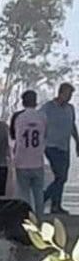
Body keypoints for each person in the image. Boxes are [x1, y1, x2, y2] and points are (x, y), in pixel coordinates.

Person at [42, 83, 79, 215]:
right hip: (51, 146)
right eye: (68, 94)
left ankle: (56, 205)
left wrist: (77, 141)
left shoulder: (70, 108)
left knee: (62, 178)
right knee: (60, 176)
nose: (69, 97)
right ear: (61, 93)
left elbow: (72, 126)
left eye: (71, 95)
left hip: (64, 147)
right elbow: (39, 123)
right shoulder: (48, 107)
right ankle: (42, 198)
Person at [11, 90, 47, 216]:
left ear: (23, 102)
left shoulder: (18, 117)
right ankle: (40, 219)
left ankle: (27, 218)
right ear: (35, 102)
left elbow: (13, 136)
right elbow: (45, 135)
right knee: (39, 193)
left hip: (21, 160)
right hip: (37, 160)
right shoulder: (42, 116)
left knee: (24, 193)